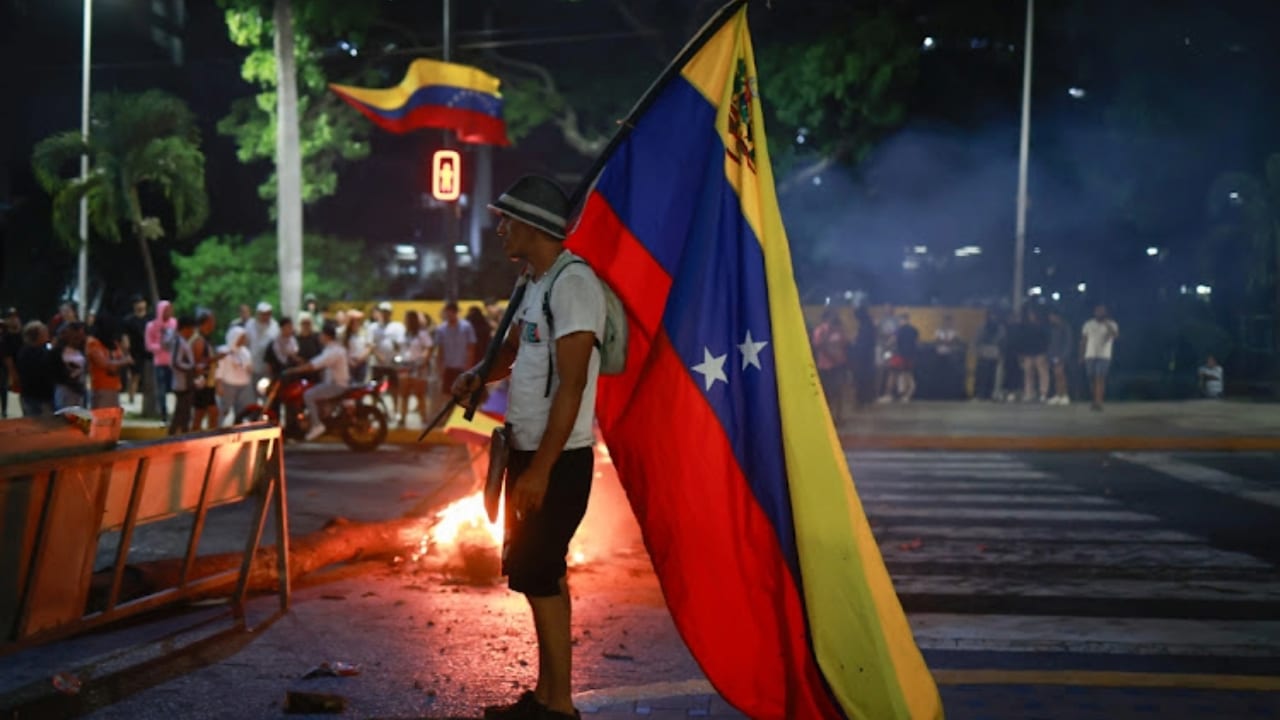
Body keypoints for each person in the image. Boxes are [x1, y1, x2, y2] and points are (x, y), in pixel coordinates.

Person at [452, 176, 604, 720]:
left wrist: (540, 470)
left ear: (535, 227)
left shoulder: (574, 284)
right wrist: (478, 373)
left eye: (507, 220)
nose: (499, 229)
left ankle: (558, 705)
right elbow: (512, 352)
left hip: (557, 459)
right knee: (540, 572)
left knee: (539, 572)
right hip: (526, 452)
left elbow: (572, 383)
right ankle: (546, 697)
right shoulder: (533, 283)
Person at [285, 322, 349, 441]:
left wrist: (293, 371)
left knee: (308, 395)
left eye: (321, 335)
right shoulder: (332, 349)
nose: (319, 337)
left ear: (327, 336)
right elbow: (316, 362)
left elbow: (314, 365)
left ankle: (317, 425)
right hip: (332, 383)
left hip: (336, 385)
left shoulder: (333, 351)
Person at [433, 300, 476, 406]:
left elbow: (471, 348)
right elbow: (440, 350)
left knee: (463, 395)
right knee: (447, 395)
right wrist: (439, 368)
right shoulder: (441, 329)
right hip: (448, 367)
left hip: (462, 367)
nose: (448, 314)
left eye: (451, 312)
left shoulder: (466, 327)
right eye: (447, 312)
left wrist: (469, 367)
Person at [85, 314, 132, 409]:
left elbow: (122, 357)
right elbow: (104, 363)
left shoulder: (113, 343)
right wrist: (124, 361)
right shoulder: (93, 344)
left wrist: (125, 350)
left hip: (115, 387)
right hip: (101, 388)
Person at [811, 307, 849, 422]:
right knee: (827, 393)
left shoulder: (838, 331)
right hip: (825, 366)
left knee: (838, 391)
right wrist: (826, 335)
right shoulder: (820, 331)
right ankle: (827, 418)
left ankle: (838, 416)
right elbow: (817, 345)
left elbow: (844, 344)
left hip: (838, 365)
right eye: (831, 317)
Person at [398, 309, 434, 427]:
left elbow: (429, 348)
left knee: (420, 394)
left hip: (418, 367)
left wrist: (423, 360)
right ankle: (402, 417)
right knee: (404, 394)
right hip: (405, 365)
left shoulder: (422, 334)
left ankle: (423, 418)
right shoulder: (404, 333)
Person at [1080, 304, 1119, 411]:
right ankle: (1094, 399)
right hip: (1090, 354)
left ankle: (1099, 402)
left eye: (1102, 311)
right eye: (1098, 311)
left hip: (1104, 355)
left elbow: (1115, 335)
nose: (1100, 313)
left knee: (1100, 378)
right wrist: (1081, 355)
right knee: (1092, 378)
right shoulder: (1088, 324)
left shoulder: (1112, 324)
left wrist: (1107, 325)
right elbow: (1083, 340)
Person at [190, 311, 223, 431]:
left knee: (209, 412)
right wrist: (215, 358)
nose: (213, 324)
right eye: (211, 321)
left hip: (208, 381)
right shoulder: (198, 340)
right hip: (202, 382)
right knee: (203, 413)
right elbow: (197, 361)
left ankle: (206, 437)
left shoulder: (205, 339)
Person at [145, 300, 177, 421]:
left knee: (176, 389)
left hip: (173, 362)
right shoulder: (151, 326)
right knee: (161, 390)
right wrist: (160, 347)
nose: (169, 312)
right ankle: (164, 414)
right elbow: (148, 345)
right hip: (159, 362)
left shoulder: (174, 323)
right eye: (166, 309)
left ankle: (176, 413)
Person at [16, 321, 55, 417]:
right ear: (37, 336)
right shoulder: (31, 353)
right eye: (44, 332)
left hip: (31, 396)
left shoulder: (26, 351)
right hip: (39, 398)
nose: (48, 333)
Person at [167, 315, 197, 435]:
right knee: (181, 414)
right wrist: (191, 368)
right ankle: (172, 437)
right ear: (186, 328)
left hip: (185, 382)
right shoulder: (178, 341)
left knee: (184, 414)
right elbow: (175, 363)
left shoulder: (182, 341)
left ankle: (181, 436)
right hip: (182, 383)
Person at [218, 326, 255, 424]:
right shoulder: (223, 351)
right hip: (229, 383)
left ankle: (238, 427)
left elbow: (248, 366)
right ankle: (218, 428)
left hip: (243, 384)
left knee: (242, 410)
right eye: (241, 337)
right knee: (224, 409)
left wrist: (249, 369)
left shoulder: (245, 352)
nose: (243, 340)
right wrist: (219, 384)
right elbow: (219, 369)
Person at [369, 301, 405, 397]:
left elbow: (400, 344)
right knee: (375, 387)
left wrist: (396, 348)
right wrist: (378, 355)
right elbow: (370, 344)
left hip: (392, 363)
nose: (385, 314)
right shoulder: (373, 327)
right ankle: (375, 406)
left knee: (394, 386)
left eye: (387, 312)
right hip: (377, 362)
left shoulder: (397, 326)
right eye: (383, 311)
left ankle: (395, 409)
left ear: (390, 313)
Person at [51, 321, 88, 410]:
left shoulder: (81, 350)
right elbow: (56, 373)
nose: (80, 337)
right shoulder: (57, 352)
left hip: (79, 393)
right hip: (65, 392)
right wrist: (73, 384)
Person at [121, 296, 150, 404]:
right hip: (134, 350)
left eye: (141, 302)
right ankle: (131, 395)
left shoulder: (150, 319)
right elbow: (125, 336)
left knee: (144, 375)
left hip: (148, 350)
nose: (140, 305)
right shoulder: (128, 320)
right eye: (137, 303)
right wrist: (126, 351)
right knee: (134, 375)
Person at [245, 302, 280, 384]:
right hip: (252, 364)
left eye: (267, 314)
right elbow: (245, 344)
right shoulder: (249, 325)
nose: (265, 316)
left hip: (268, 366)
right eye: (262, 314)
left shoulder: (275, 325)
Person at [974, 312, 1006, 401]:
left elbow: (1002, 342)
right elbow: (977, 340)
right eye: (991, 316)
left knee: (993, 376)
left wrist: (1001, 353)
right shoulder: (982, 327)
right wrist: (978, 351)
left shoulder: (1000, 328)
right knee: (982, 375)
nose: (993, 318)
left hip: (995, 352)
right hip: (984, 352)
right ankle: (980, 394)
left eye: (994, 316)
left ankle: (990, 394)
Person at [850, 305, 877, 408]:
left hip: (863, 357)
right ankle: (866, 398)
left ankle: (862, 399)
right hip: (868, 356)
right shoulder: (868, 324)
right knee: (866, 378)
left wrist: (855, 345)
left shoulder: (865, 325)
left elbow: (863, 343)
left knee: (861, 378)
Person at [1046, 310, 1073, 405]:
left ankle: (1065, 395)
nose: (1050, 319)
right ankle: (1058, 395)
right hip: (1053, 355)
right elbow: (1052, 343)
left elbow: (1068, 343)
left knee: (1061, 376)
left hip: (1061, 356)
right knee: (1056, 376)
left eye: (1051, 316)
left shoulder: (1065, 327)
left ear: (1057, 316)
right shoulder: (1053, 328)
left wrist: (1063, 357)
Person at [0, 307, 21, 417]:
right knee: (3, 385)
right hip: (3, 362)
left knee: (5, 387)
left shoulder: (20, 332)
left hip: (16, 362)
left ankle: (4, 410)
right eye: (10, 317)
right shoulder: (4, 331)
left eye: (15, 317)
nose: (13, 319)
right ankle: (4, 410)